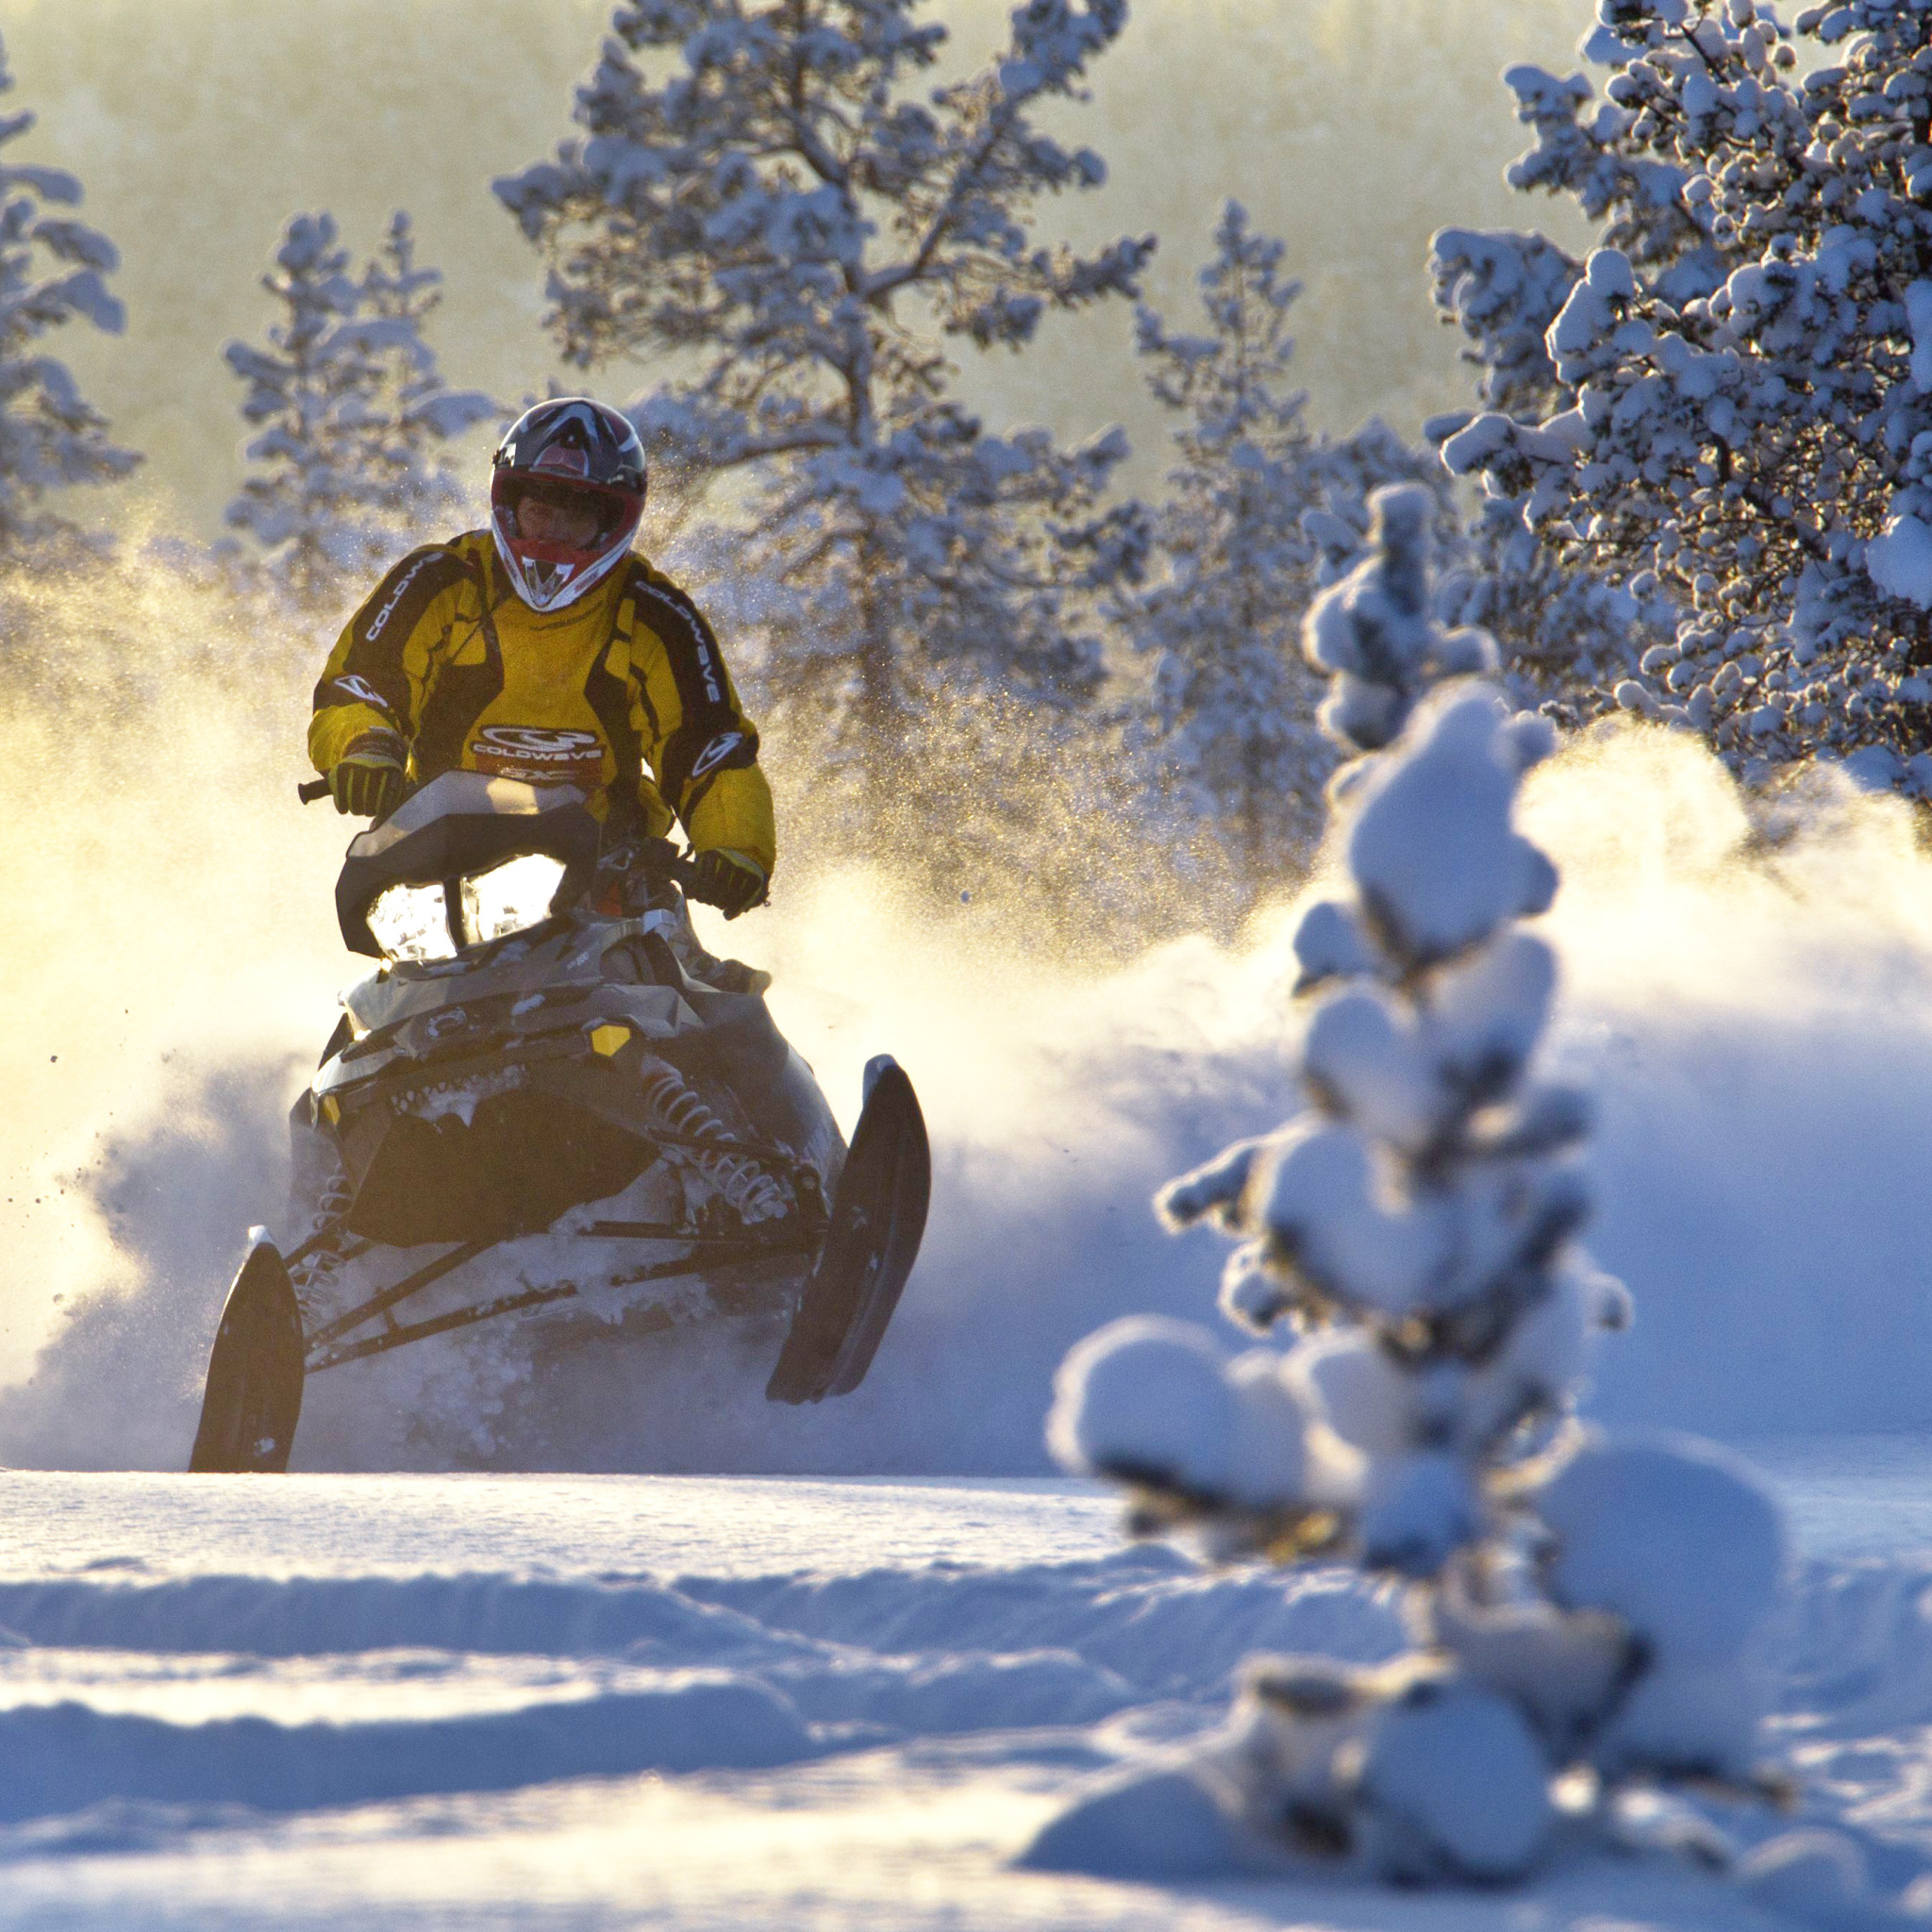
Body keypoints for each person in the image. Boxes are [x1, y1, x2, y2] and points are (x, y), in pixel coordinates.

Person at [308, 396, 773, 920]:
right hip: (438, 861)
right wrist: (366, 746)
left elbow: (708, 745)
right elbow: (361, 684)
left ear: (612, 523)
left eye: (575, 516)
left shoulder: (656, 616)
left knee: (699, 994)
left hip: (607, 873)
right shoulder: (439, 581)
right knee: (377, 995)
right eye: (540, 511)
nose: (551, 534)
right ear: (509, 505)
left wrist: (736, 848)